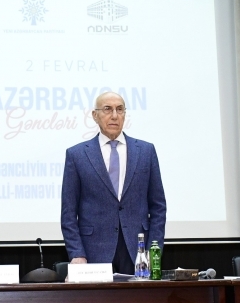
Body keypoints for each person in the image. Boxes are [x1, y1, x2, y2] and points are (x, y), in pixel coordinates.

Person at [61, 91, 167, 274]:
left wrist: (153, 252)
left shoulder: (146, 151)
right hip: (93, 252)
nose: (114, 115)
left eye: (120, 109)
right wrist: (77, 253)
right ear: (95, 115)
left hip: (138, 252)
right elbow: (68, 212)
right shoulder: (77, 155)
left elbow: (158, 207)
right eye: (107, 109)